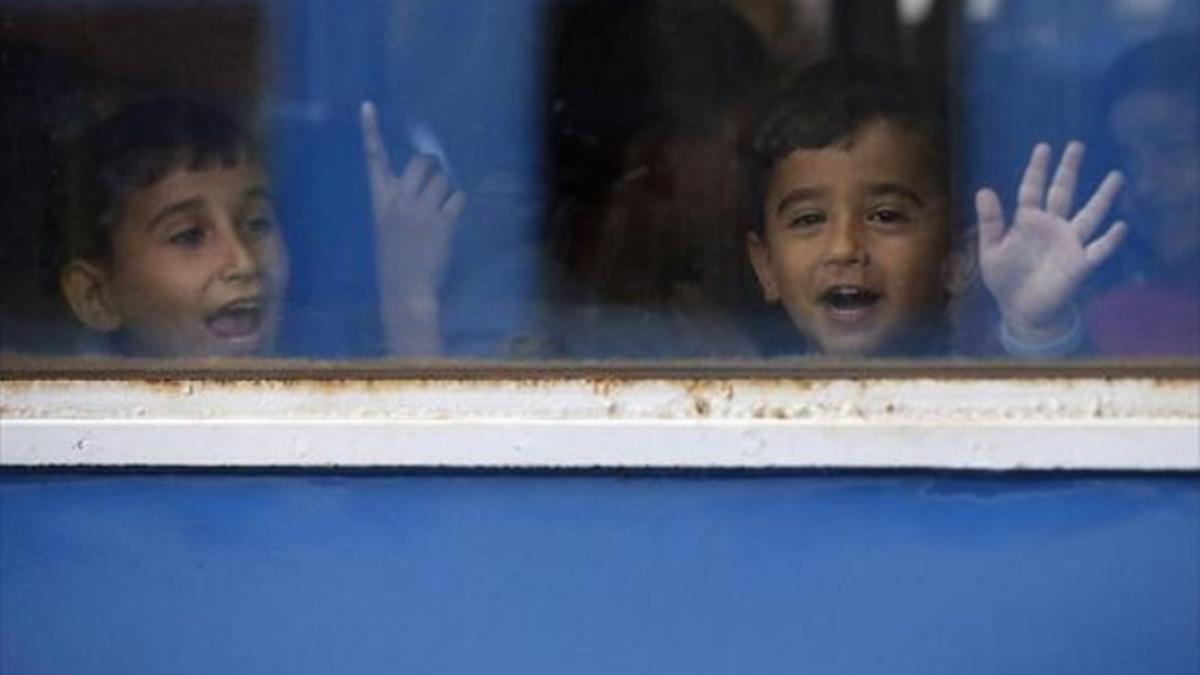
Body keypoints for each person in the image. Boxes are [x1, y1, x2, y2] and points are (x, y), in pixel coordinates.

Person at [743, 59, 1126, 358]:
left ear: (959, 256)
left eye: (885, 216)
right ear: (766, 267)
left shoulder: (982, 393)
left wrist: (1038, 330)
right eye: (809, 219)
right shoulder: (741, 409)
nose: (844, 248)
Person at [56, 96, 461, 358]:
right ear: (97, 297)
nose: (243, 262)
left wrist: (409, 301)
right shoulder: (71, 418)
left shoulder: (321, 364)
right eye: (190, 236)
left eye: (257, 223)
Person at [1083, 33, 1199, 356]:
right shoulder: (1127, 320)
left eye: (1173, 149)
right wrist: (1035, 333)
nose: (1145, 183)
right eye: (1127, 160)